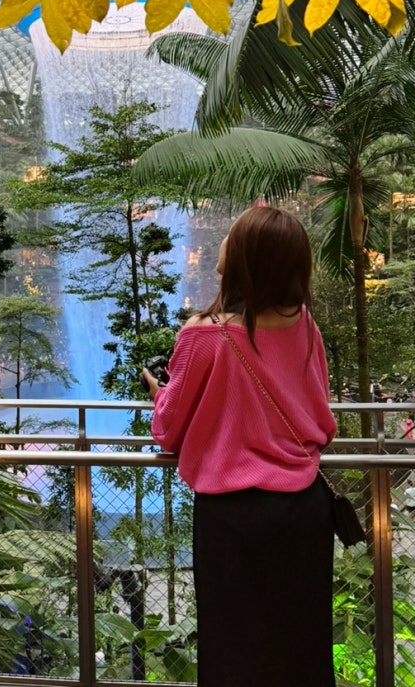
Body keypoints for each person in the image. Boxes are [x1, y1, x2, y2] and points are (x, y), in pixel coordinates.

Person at [143, 206, 337, 687]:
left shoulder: (203, 335)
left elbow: (168, 431)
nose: (222, 241)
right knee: (302, 649)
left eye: (231, 235)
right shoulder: (304, 325)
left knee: (233, 650)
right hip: (304, 509)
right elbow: (319, 414)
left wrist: (159, 394)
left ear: (246, 256)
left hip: (232, 517)